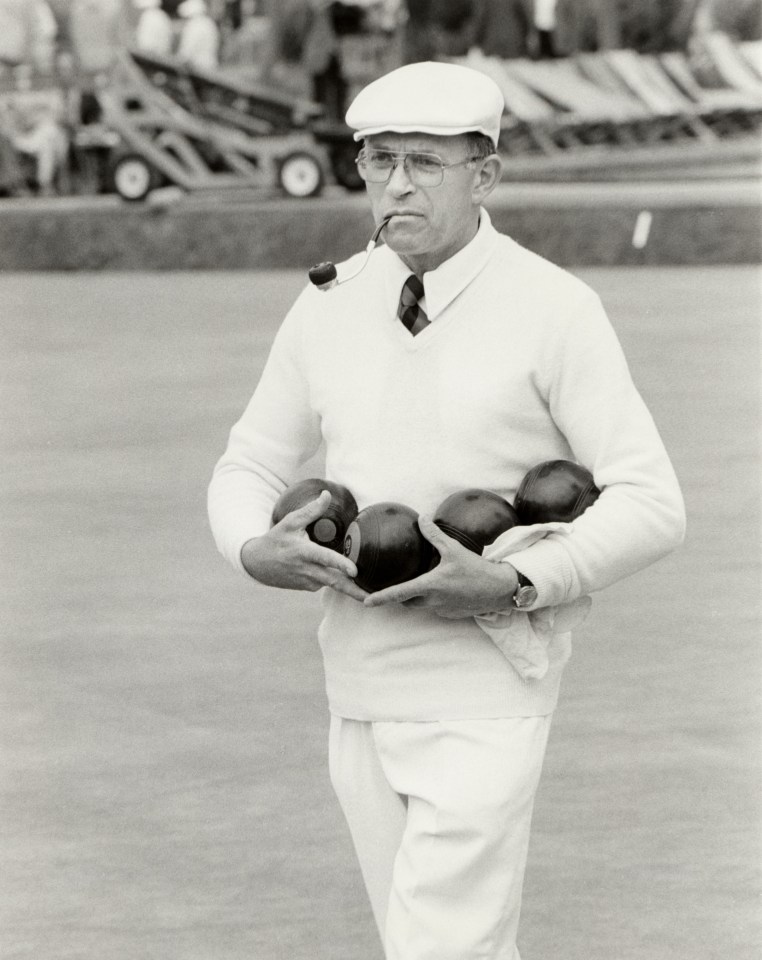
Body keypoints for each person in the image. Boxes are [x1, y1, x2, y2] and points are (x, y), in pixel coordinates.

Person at [208, 60, 686, 959]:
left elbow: (654, 501)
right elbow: (246, 462)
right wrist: (249, 547)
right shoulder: (328, 306)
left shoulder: (556, 308)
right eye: (378, 159)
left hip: (489, 692)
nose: (395, 184)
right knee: (436, 946)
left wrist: (513, 579)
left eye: (425, 163)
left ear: (485, 174)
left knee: (441, 949)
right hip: (355, 688)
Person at [177, 0, 219, 72]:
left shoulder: (193, 25)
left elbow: (186, 52)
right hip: (211, 65)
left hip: (198, 68)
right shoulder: (209, 23)